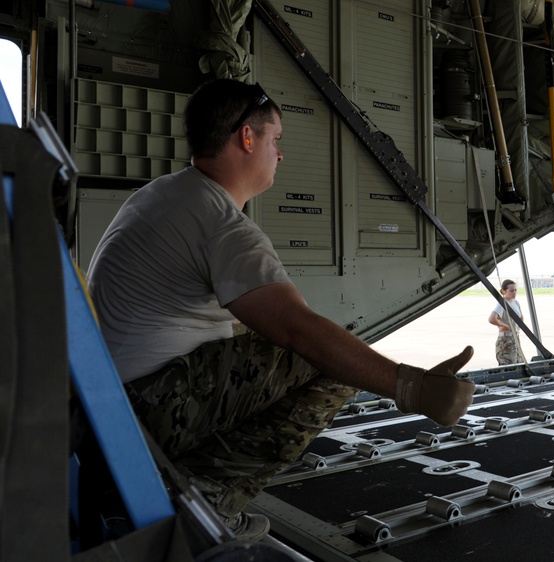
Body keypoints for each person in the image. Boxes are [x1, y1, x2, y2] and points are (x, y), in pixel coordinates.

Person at [86, 79, 476, 541]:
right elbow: (297, 331)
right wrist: (411, 388)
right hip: (146, 413)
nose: (280, 154)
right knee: (325, 363)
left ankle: (191, 486)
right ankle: (208, 501)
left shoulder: (165, 195)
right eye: (276, 139)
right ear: (246, 139)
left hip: (107, 406)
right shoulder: (222, 224)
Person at [487, 279, 526, 365]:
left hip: (515, 338)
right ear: (503, 291)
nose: (514, 292)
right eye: (511, 291)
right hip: (506, 340)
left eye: (515, 290)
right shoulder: (502, 304)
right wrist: (505, 326)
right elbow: (492, 319)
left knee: (519, 363)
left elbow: (521, 316)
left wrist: (519, 327)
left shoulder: (516, 303)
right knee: (509, 365)